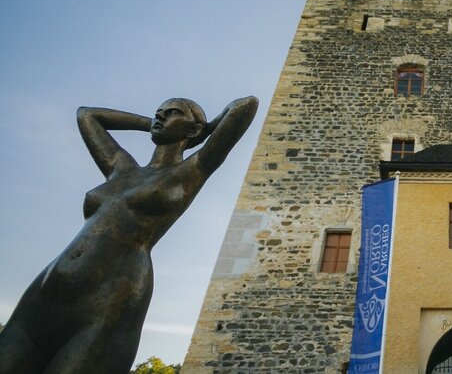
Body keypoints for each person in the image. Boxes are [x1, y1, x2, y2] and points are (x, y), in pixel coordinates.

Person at [0, 96, 258, 374]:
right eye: (157, 112)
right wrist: (152, 124)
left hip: (113, 294)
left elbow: (245, 106)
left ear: (193, 130)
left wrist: (205, 130)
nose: (160, 116)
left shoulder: (192, 169)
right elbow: (87, 115)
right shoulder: (121, 168)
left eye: (170, 113)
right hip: (47, 290)